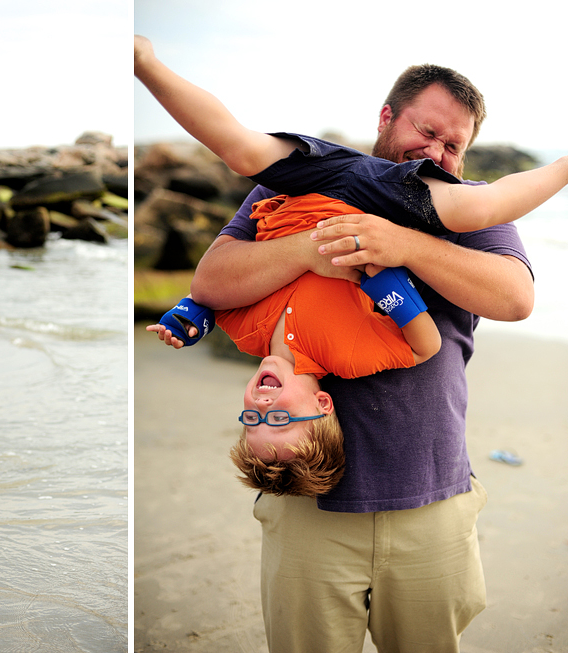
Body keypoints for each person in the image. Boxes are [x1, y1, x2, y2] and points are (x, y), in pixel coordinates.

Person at [136, 37, 536, 651]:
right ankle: (147, 61)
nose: (437, 152)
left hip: (429, 495)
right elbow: (212, 281)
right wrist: (315, 249)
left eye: (454, 146)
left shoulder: (462, 209)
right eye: (426, 132)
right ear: (387, 117)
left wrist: (400, 247)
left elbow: (513, 299)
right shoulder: (293, 187)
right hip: (304, 496)